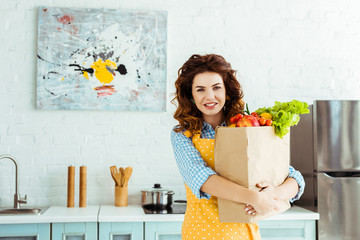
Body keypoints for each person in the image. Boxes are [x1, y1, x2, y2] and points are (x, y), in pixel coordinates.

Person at [170, 54, 305, 239]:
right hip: (202, 232)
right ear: (191, 96)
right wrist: (255, 198)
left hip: (244, 234)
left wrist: (275, 193)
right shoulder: (182, 135)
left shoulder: (247, 128)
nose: (209, 96)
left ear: (227, 91)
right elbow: (201, 178)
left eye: (216, 87)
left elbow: (292, 177)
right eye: (200, 90)